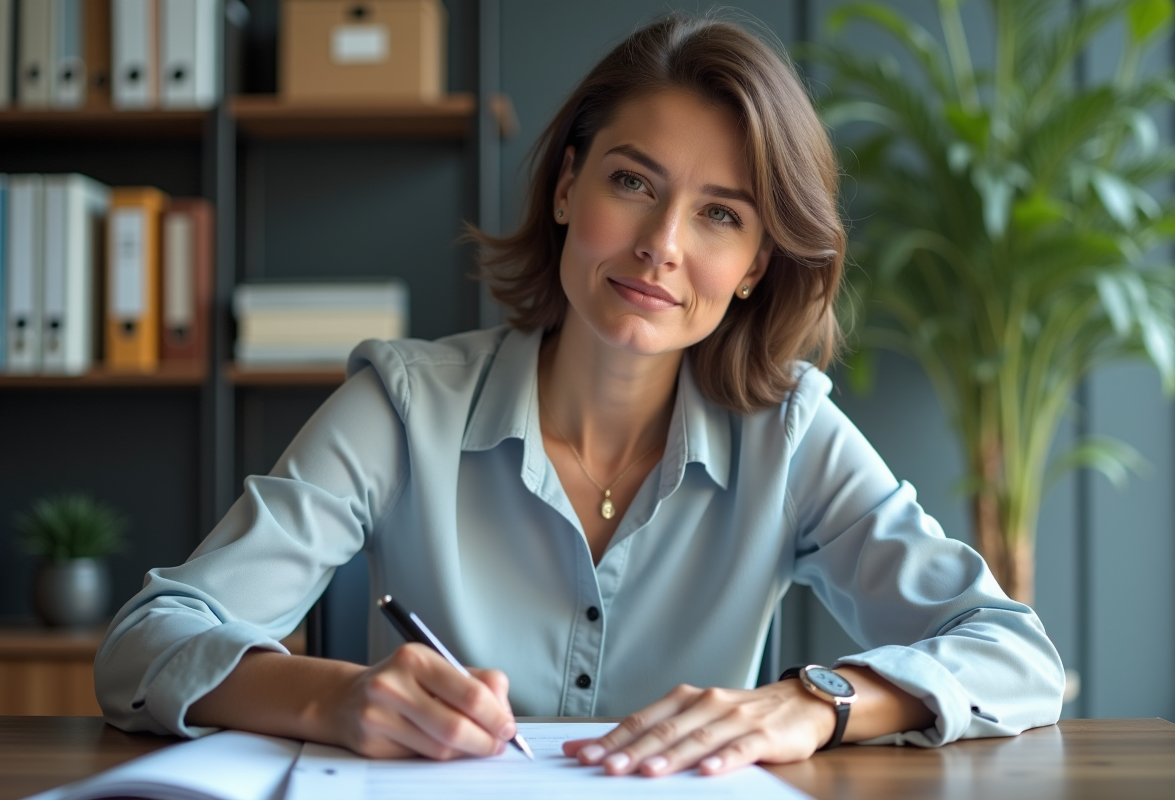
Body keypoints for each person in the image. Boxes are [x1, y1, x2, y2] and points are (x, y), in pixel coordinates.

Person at [95, 13, 1064, 778]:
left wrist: (817, 701)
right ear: (567, 186)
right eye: (633, 182)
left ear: (757, 265)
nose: (662, 245)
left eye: (720, 215)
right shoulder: (402, 406)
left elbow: (1016, 654)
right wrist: (331, 698)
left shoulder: (792, 432)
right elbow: (145, 642)